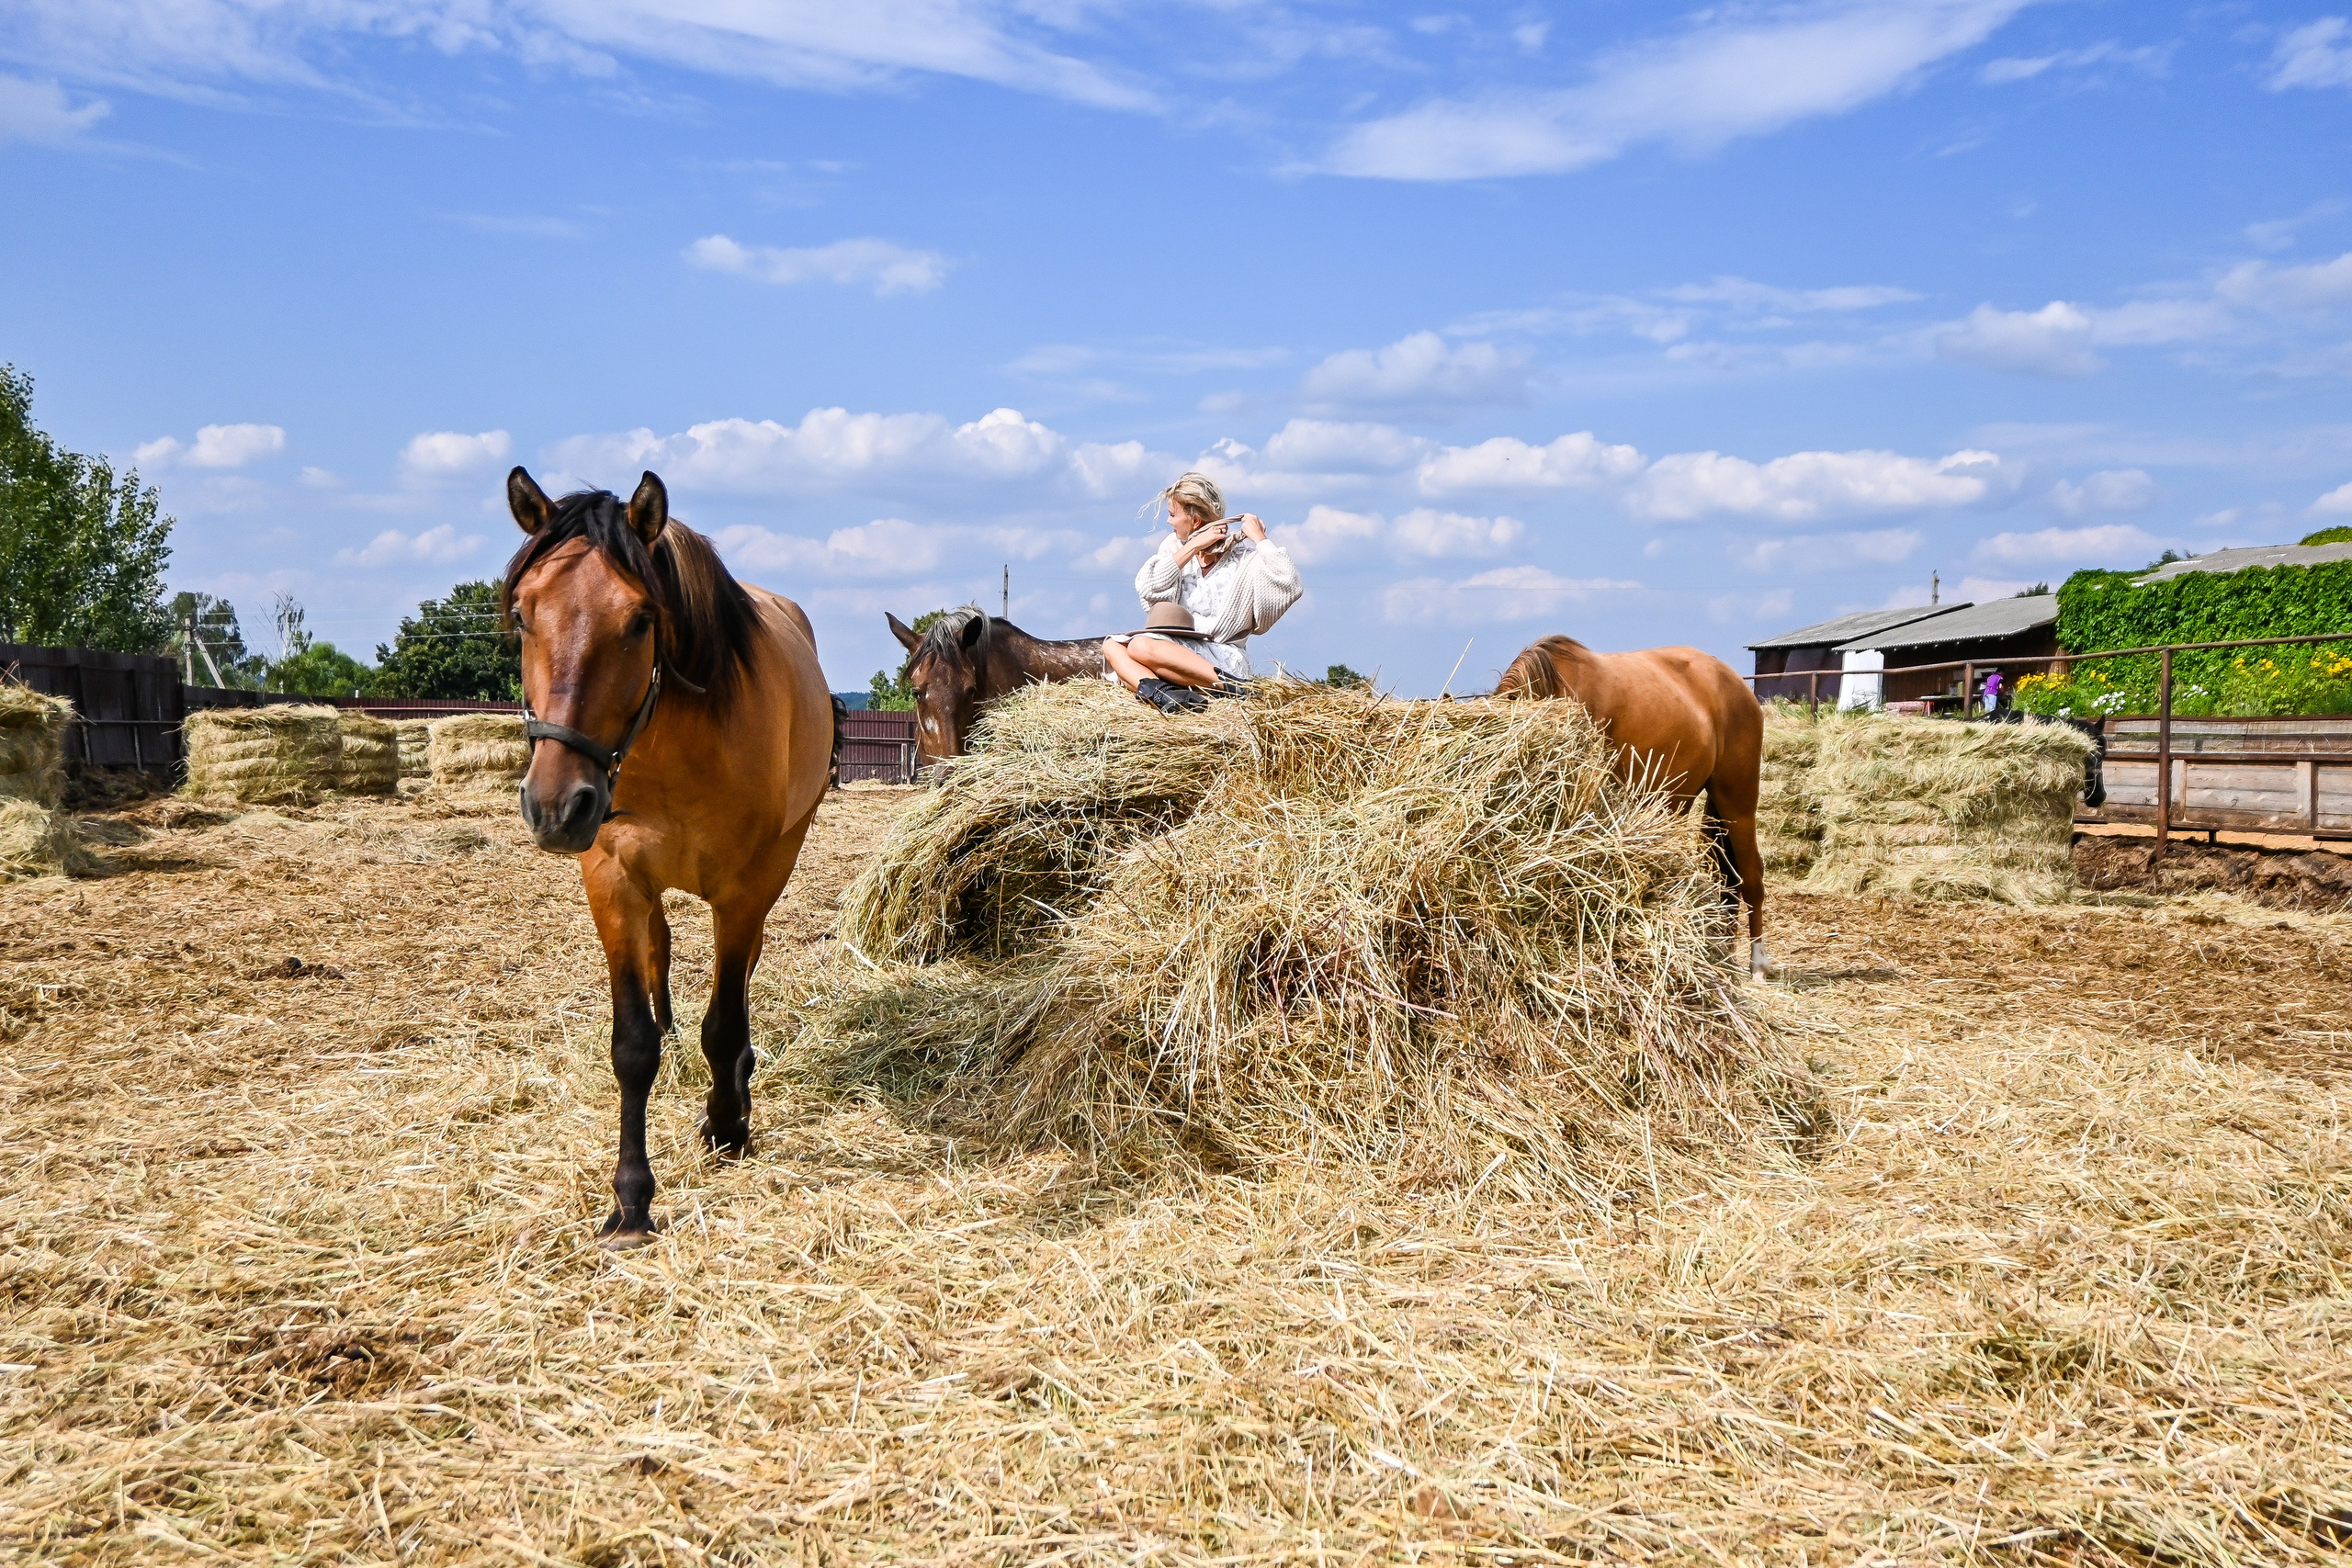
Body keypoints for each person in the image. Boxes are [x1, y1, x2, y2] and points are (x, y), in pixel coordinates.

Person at [1103, 472, 1302, 714]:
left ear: (1194, 520)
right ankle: (1167, 695)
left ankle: (1233, 686)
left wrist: (1260, 538)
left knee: (1139, 647)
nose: (1169, 522)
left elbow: (1289, 583)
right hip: (1174, 650)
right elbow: (1148, 588)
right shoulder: (1175, 549)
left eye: (1172, 514)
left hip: (1223, 656)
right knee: (1112, 646)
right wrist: (1193, 546)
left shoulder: (1245, 560)